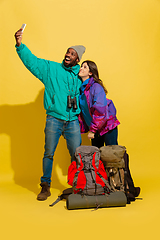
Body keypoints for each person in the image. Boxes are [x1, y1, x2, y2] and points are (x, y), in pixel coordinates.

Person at [14, 27, 86, 201]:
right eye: (67, 52)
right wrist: (19, 45)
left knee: (76, 154)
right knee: (48, 153)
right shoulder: (51, 69)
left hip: (73, 121)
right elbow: (32, 62)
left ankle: (77, 185)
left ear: (77, 59)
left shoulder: (80, 75)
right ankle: (45, 186)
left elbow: (93, 90)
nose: (68, 55)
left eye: (72, 54)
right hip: (54, 118)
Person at [78, 60, 120, 148]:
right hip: (95, 127)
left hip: (107, 126)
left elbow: (100, 111)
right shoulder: (82, 89)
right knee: (97, 157)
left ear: (90, 73)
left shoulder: (96, 87)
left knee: (112, 155)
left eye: (85, 67)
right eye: (81, 66)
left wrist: (92, 130)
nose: (81, 68)